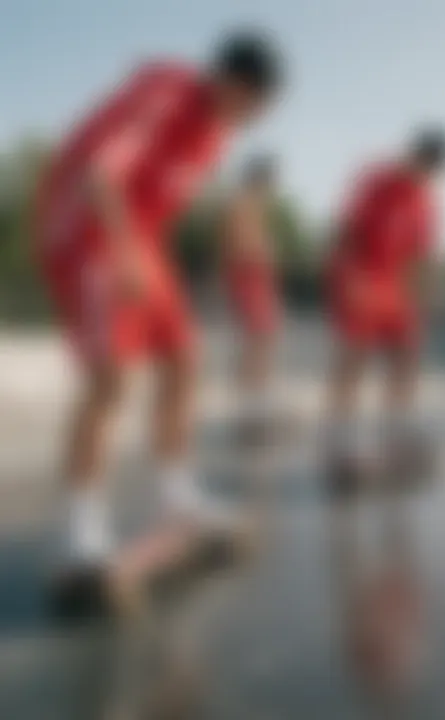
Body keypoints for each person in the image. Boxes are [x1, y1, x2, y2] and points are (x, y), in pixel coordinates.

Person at [35, 30, 285, 568]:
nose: (258, 118)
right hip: (86, 231)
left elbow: (160, 204)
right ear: (235, 83)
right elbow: (99, 171)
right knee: (110, 380)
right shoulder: (166, 90)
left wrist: (145, 257)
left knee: (183, 363)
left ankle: (179, 498)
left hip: (140, 238)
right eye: (259, 104)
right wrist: (123, 251)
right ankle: (84, 532)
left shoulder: (213, 134)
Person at [324, 128, 445, 468]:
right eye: (424, 163)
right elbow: (347, 229)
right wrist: (351, 278)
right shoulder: (376, 179)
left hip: (395, 284)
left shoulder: (426, 200)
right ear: (413, 154)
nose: (427, 174)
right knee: (356, 356)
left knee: (407, 355)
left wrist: (424, 296)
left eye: (434, 170)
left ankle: (396, 430)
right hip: (361, 272)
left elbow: (422, 255)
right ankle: (342, 438)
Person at [222, 155, 283, 435]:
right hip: (250, 280)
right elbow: (237, 247)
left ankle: (258, 407)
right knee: (255, 345)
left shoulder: (254, 205)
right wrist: (263, 251)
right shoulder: (244, 203)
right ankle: (250, 412)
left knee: (262, 344)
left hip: (258, 280)